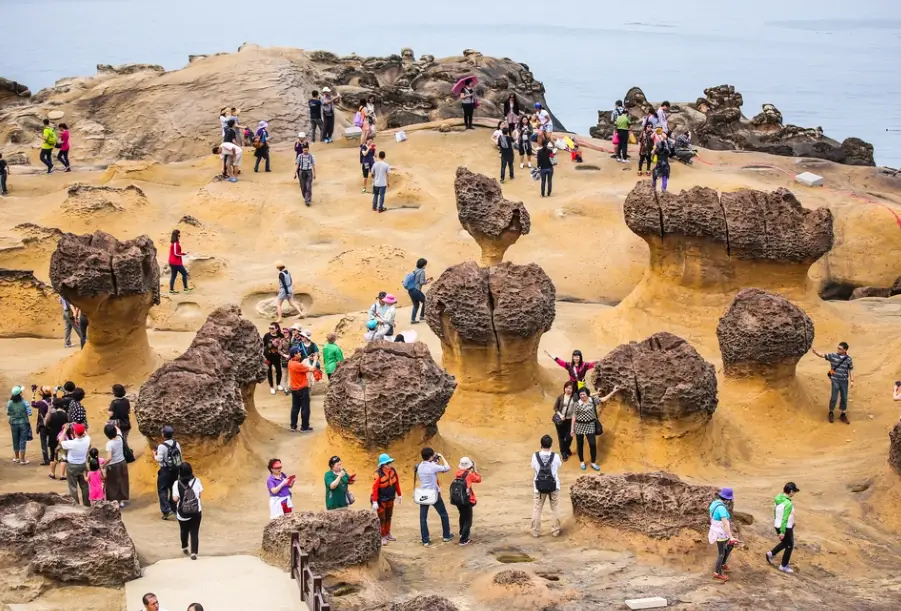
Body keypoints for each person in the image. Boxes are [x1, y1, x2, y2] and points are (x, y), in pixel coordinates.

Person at [571, 386, 620, 471]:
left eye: (584, 394)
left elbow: (604, 399)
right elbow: (574, 416)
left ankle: (593, 463)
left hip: (590, 425)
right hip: (579, 425)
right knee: (580, 444)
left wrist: (613, 391)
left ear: (587, 394)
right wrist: (572, 429)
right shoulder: (577, 404)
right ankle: (582, 462)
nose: (582, 396)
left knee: (592, 444)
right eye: (581, 395)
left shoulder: (592, 400)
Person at [416, 447, 454, 547]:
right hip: (434, 493)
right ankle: (446, 535)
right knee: (443, 514)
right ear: (430, 456)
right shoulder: (433, 466)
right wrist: (441, 456)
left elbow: (431, 467)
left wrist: (434, 461)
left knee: (423, 518)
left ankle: (425, 540)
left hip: (424, 493)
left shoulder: (420, 466)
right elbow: (447, 468)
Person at [811, 342, 854, 423]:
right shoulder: (833, 356)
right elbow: (823, 355)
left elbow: (851, 370)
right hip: (835, 380)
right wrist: (815, 352)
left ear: (845, 350)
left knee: (844, 398)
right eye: (838, 348)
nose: (838, 350)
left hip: (844, 381)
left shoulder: (848, 359)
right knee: (834, 397)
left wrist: (852, 380)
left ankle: (843, 414)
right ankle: (831, 412)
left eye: (840, 349)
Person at [531, 434, 562, 538]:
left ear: (541, 444)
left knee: (537, 509)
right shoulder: (555, 456)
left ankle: (535, 531)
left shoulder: (535, 456)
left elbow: (533, 467)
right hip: (554, 485)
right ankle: (555, 530)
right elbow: (559, 466)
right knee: (554, 508)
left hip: (539, 486)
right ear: (551, 445)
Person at [172, 462, 203, 560]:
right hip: (196, 511)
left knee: (184, 530)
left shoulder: (176, 483)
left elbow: (175, 499)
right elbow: (199, 495)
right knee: (194, 531)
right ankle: (194, 552)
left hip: (183, 512)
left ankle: (184, 546)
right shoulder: (197, 481)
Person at [767, 482, 800, 574]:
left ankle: (771, 554)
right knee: (789, 545)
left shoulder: (778, 498)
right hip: (785, 527)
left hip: (777, 525)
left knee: (785, 543)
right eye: (794, 492)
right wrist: (782, 531)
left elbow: (775, 512)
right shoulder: (788, 504)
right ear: (791, 491)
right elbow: (785, 518)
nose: (794, 494)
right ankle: (784, 565)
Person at [371, 453, 402, 545]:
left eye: (390, 462)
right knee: (382, 518)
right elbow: (375, 488)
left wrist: (399, 495)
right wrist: (374, 501)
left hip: (390, 497)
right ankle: (382, 535)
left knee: (389, 516)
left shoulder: (393, 471)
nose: (390, 464)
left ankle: (388, 533)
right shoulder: (378, 474)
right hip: (381, 499)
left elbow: (396, 483)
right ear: (383, 464)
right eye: (388, 463)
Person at [450, 457, 481, 546]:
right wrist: (475, 470)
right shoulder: (469, 474)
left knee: (462, 516)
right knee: (468, 520)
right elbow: (478, 479)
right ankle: (463, 540)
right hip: (467, 500)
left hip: (458, 499)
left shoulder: (458, 473)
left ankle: (461, 533)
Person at [708, 488, 737, 581]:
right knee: (721, 553)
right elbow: (725, 524)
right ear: (727, 499)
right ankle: (717, 573)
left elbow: (710, 516)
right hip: (721, 533)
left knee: (730, 546)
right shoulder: (721, 509)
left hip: (717, 531)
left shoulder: (714, 503)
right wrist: (731, 537)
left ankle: (723, 564)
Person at [156, 425, 182, 520]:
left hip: (165, 470)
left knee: (162, 489)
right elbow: (180, 456)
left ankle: (166, 510)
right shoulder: (176, 444)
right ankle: (173, 508)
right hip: (175, 470)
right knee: (173, 488)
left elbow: (159, 459)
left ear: (163, 435)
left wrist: (154, 455)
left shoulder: (161, 446)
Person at [61, 423, 90, 506]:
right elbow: (87, 435)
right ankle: (87, 504)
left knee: (73, 487)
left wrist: (65, 430)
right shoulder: (87, 440)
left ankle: (76, 506)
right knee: (85, 486)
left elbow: (61, 441)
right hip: (83, 465)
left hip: (72, 466)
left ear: (74, 433)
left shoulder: (71, 443)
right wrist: (83, 429)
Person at [103, 423, 130, 507]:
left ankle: (114, 501)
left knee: (112, 484)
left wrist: (103, 465)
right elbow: (118, 430)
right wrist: (111, 425)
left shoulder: (109, 443)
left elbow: (109, 458)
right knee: (122, 482)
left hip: (113, 466)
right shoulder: (120, 438)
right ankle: (121, 501)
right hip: (122, 463)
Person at [287, 347, 313, 432]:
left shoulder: (290, 362)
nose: (300, 353)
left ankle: (293, 426)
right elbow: (312, 369)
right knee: (305, 408)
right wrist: (315, 360)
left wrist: (308, 358)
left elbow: (300, 364)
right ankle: (304, 427)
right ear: (295, 354)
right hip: (302, 389)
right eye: (299, 352)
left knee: (295, 408)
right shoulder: (298, 365)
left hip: (294, 389)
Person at [552, 382, 577, 461]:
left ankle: (566, 448)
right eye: (567, 388)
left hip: (570, 420)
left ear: (573, 389)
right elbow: (555, 408)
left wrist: (597, 393)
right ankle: (563, 453)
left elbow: (585, 395)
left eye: (570, 388)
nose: (568, 390)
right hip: (561, 420)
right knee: (561, 437)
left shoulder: (575, 397)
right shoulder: (560, 397)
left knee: (570, 436)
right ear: (564, 388)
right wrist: (560, 415)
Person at [7, 386, 32, 464]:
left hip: (13, 423)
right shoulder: (24, 402)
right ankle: (22, 459)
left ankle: (17, 458)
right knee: (22, 441)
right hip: (23, 423)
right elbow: (30, 413)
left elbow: (8, 413)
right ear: (19, 394)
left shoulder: (9, 403)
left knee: (15, 440)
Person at [403, 258, 432, 324]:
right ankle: (422, 316)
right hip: (416, 290)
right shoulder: (422, 271)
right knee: (426, 301)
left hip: (410, 290)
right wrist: (427, 281)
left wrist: (425, 281)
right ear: (423, 265)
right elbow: (421, 282)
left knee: (416, 305)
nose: (425, 266)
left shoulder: (415, 270)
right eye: (425, 265)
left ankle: (413, 320)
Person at [46, 398, 68, 480]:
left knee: (53, 455)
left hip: (52, 436)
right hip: (62, 437)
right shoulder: (65, 415)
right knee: (63, 455)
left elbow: (47, 424)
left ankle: (52, 473)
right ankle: (62, 475)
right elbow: (67, 425)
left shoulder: (52, 415)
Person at [30, 385, 53, 465]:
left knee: (43, 442)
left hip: (43, 425)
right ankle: (53, 458)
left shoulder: (41, 403)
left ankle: (46, 460)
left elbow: (33, 404)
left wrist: (33, 393)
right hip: (52, 425)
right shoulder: (53, 401)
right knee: (52, 441)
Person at [263, 322, 288, 393]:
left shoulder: (281, 335)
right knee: (269, 371)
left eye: (272, 328)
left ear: (277, 328)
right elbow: (263, 345)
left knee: (279, 371)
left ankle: (278, 384)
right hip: (268, 357)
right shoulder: (267, 335)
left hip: (277, 357)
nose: (271, 330)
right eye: (269, 328)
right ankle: (271, 387)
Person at [167, 229, 191, 294]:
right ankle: (185, 288)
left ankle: (171, 290)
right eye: (179, 235)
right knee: (184, 274)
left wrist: (183, 253)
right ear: (176, 236)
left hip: (173, 262)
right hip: (176, 262)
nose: (179, 237)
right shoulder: (175, 244)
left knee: (173, 276)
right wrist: (184, 253)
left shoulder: (175, 243)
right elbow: (176, 253)